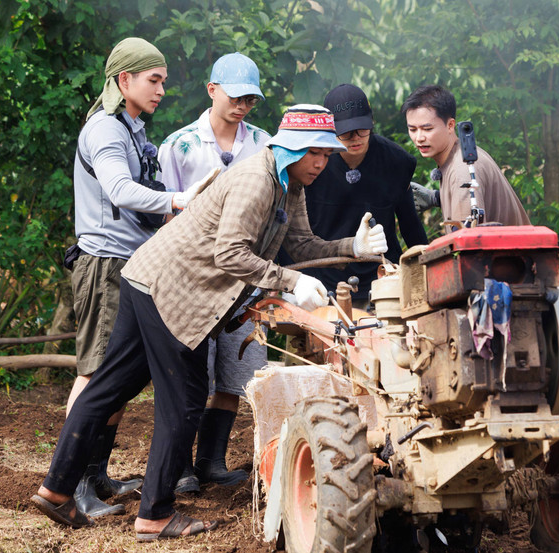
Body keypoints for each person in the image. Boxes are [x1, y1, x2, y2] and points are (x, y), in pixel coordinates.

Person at [31, 104, 389, 540]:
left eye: (327, 154)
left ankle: (54, 490)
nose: (321, 162)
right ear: (291, 148)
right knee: (184, 399)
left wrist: (355, 246)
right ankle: (155, 515)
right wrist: (290, 281)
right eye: (314, 152)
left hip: (146, 277)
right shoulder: (257, 181)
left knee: (111, 385)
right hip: (170, 290)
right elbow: (230, 254)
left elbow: (300, 243)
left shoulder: (288, 184)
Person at [64, 36, 206, 518]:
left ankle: (96, 473)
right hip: (105, 263)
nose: (162, 89)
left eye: (163, 80)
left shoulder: (132, 130)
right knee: (95, 376)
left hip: (131, 264)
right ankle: (74, 485)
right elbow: (121, 191)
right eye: (154, 79)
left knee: (118, 380)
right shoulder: (104, 130)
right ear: (124, 80)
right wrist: (179, 200)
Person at [157, 52, 272, 493]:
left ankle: (211, 460)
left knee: (238, 369)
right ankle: (180, 466)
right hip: (195, 277)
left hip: (245, 276)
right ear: (212, 90)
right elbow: (167, 215)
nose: (242, 106)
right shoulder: (179, 145)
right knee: (189, 374)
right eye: (236, 96)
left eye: (251, 100)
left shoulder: (263, 143)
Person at [293, 84, 428, 307]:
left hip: (381, 277)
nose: (355, 138)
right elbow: (291, 230)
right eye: (344, 132)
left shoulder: (397, 161)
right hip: (321, 277)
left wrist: (424, 272)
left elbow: (410, 225)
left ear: (371, 122)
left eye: (361, 129)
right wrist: (292, 285)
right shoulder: (311, 162)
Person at [401, 85, 530, 231]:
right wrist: (437, 198)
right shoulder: (462, 155)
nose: (419, 138)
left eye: (427, 129)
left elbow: (467, 241)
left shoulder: (461, 171)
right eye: (412, 129)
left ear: (450, 125)